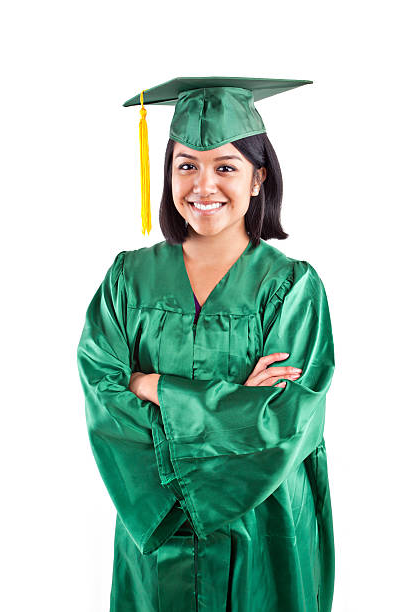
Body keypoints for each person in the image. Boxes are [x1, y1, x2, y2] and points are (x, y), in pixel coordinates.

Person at [76, 77, 335, 612]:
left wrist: (152, 386)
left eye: (226, 166)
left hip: (264, 527)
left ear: (259, 178)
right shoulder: (128, 279)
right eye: (186, 165)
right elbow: (102, 395)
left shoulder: (292, 288)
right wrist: (233, 400)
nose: (203, 184)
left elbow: (283, 420)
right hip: (155, 520)